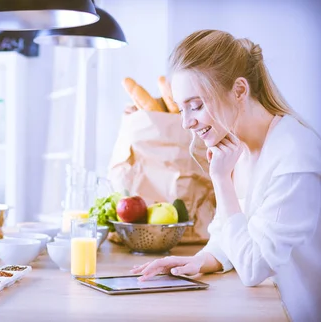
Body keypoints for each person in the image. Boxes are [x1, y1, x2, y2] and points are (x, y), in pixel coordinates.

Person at [130, 29, 321, 322]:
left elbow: (254, 267)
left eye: (196, 106)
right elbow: (231, 231)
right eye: (182, 109)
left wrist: (221, 180)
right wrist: (201, 260)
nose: (186, 122)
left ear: (240, 90)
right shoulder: (239, 146)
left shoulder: (294, 158)